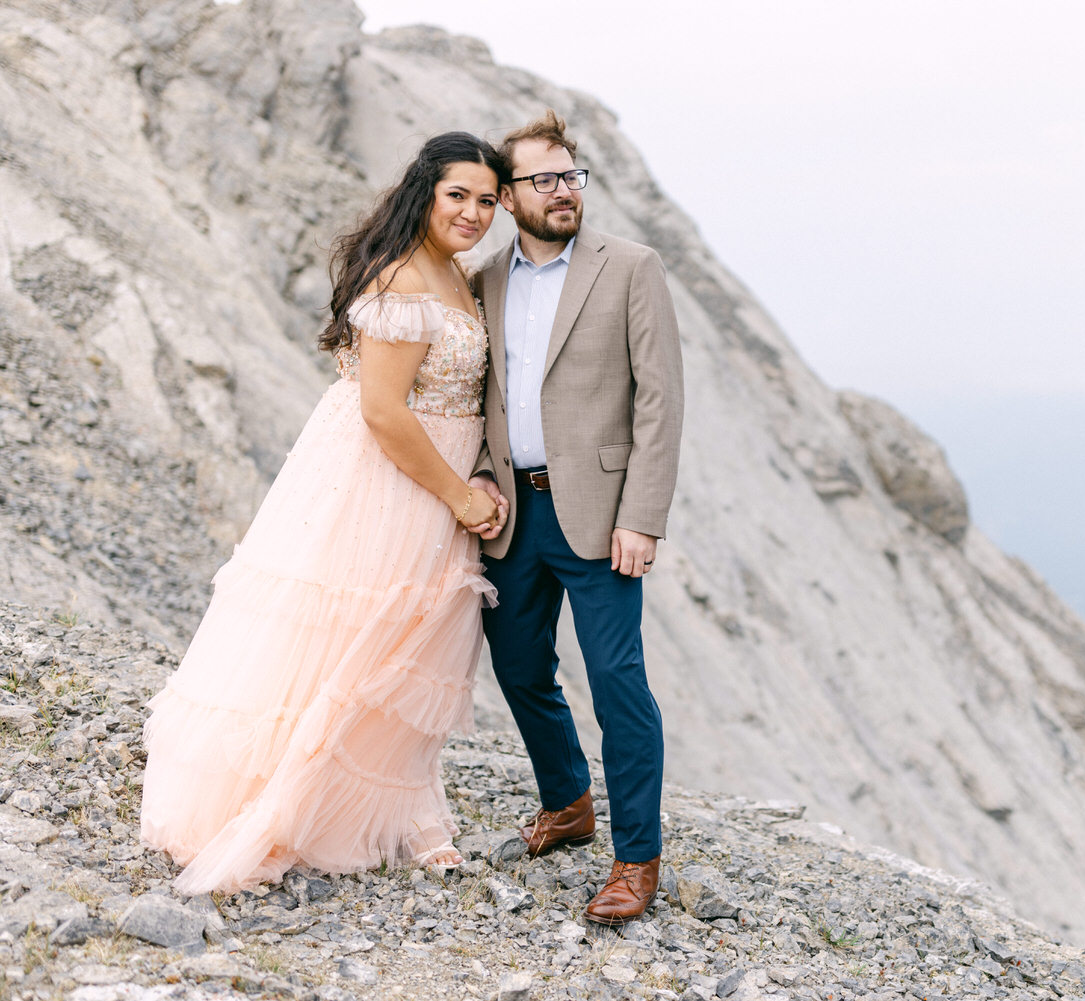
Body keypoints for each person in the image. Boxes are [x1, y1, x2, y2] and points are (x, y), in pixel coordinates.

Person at [139, 132, 508, 894]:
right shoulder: (404, 275)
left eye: (486, 199)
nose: (474, 212)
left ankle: (402, 801)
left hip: (430, 476)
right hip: (388, 479)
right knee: (356, 636)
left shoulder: (454, 271)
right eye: (458, 195)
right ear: (425, 194)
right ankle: (294, 801)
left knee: (404, 640)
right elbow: (382, 410)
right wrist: (463, 494)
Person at [468, 110, 684, 926]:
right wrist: (485, 477)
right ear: (510, 195)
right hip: (513, 513)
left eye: (572, 176)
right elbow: (485, 395)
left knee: (617, 683)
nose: (564, 192)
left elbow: (660, 399)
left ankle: (636, 857)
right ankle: (568, 801)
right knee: (520, 666)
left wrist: (644, 516)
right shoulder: (487, 277)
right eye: (545, 180)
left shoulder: (631, 267)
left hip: (600, 516)